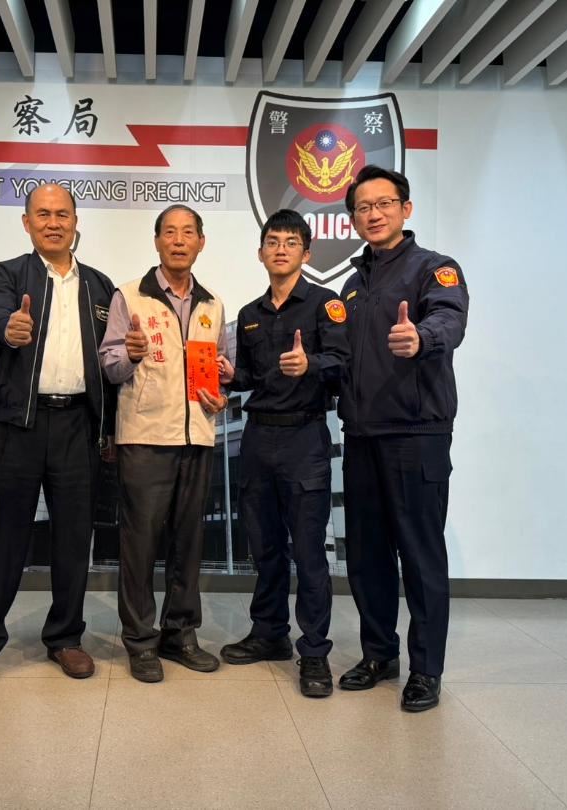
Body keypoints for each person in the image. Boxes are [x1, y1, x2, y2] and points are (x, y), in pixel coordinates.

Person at [0, 184, 116, 693]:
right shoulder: (9, 274)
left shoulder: (99, 285)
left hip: (77, 425)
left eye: (62, 214)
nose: (53, 222)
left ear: (75, 222)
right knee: (1, 538)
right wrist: (8, 327)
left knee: (73, 537)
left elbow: (112, 354)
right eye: (42, 214)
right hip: (16, 424)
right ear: (27, 223)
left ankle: (65, 637)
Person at [336, 165, 469, 712]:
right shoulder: (352, 285)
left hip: (416, 434)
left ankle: (427, 670)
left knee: (420, 557)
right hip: (362, 435)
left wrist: (422, 337)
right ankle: (378, 654)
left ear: (405, 209)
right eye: (363, 207)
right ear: (353, 218)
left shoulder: (434, 269)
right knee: (367, 557)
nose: (373, 214)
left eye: (383, 204)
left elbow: (450, 321)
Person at [217, 209, 347, 698]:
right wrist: (232, 377)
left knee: (309, 553)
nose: (280, 249)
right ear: (260, 252)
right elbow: (252, 378)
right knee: (265, 547)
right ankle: (269, 633)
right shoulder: (250, 314)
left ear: (306, 253)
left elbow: (344, 365)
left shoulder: (325, 304)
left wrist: (310, 364)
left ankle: (313, 652)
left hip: (304, 438)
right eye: (272, 241)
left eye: (291, 242)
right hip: (258, 439)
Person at [99, 204, 228, 683]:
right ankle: (140, 640)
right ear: (156, 241)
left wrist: (222, 391)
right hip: (145, 436)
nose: (178, 240)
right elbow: (109, 364)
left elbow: (219, 368)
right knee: (140, 543)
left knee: (188, 542)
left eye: (187, 232)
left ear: (201, 242)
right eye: (169, 232)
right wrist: (129, 355)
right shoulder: (130, 295)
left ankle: (180, 634)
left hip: (197, 437)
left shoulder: (213, 304)